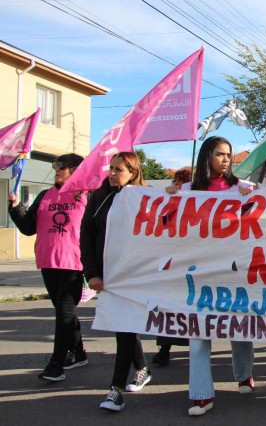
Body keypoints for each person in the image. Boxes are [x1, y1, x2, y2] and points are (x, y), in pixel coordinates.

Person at [164, 137, 256, 416]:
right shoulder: (187, 190)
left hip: (233, 271)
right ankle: (201, 394)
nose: (226, 159)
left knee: (239, 326)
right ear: (207, 156)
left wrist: (253, 197)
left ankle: (244, 375)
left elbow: (264, 215)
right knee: (198, 332)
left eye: (229, 154)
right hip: (198, 273)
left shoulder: (241, 189)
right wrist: (169, 197)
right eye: (220, 154)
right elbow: (165, 223)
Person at [8, 153, 88, 382]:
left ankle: (56, 365)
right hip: (48, 261)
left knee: (64, 313)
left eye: (61, 165)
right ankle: (79, 353)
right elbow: (28, 228)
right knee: (65, 313)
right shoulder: (45, 195)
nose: (56, 168)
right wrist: (16, 208)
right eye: (55, 165)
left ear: (75, 169)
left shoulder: (86, 195)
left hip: (74, 264)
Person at [82, 152, 150, 412]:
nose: (111, 173)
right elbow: (86, 237)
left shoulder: (145, 198)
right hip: (108, 277)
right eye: (111, 168)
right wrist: (92, 273)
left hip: (134, 276)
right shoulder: (98, 198)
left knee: (124, 329)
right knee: (125, 327)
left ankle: (116, 390)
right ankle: (142, 367)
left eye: (118, 169)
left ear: (133, 173)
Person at [151, 168, 193, 366]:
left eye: (182, 183)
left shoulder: (198, 203)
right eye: (176, 182)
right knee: (169, 307)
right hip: (173, 262)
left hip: (192, 261)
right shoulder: (170, 201)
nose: (178, 186)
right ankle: (164, 348)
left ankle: (195, 345)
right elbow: (161, 224)